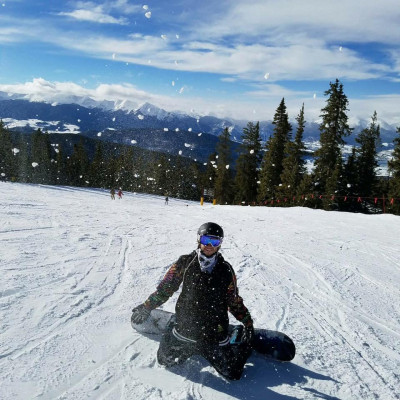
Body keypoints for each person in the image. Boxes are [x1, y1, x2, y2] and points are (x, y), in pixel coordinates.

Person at [131, 222, 254, 380]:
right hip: (185, 329)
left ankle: (236, 335)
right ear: (198, 240)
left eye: (214, 241)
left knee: (233, 373)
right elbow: (165, 289)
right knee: (164, 360)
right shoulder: (185, 262)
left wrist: (247, 322)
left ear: (220, 244)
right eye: (206, 240)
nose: (209, 245)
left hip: (214, 332)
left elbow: (233, 300)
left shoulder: (226, 270)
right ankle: (172, 324)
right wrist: (146, 307)